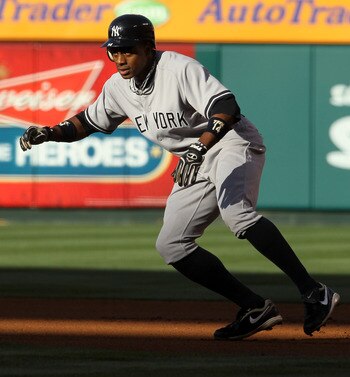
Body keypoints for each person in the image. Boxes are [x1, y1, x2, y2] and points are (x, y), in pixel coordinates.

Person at [19, 14, 340, 340]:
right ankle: (254, 307)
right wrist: (51, 133)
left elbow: (228, 105)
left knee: (238, 216)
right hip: (195, 161)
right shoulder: (118, 87)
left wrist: (199, 148)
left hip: (231, 143)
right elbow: (88, 121)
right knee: (171, 245)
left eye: (127, 50)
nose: (119, 58)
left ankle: (315, 292)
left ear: (148, 47)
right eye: (113, 51)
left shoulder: (177, 68)